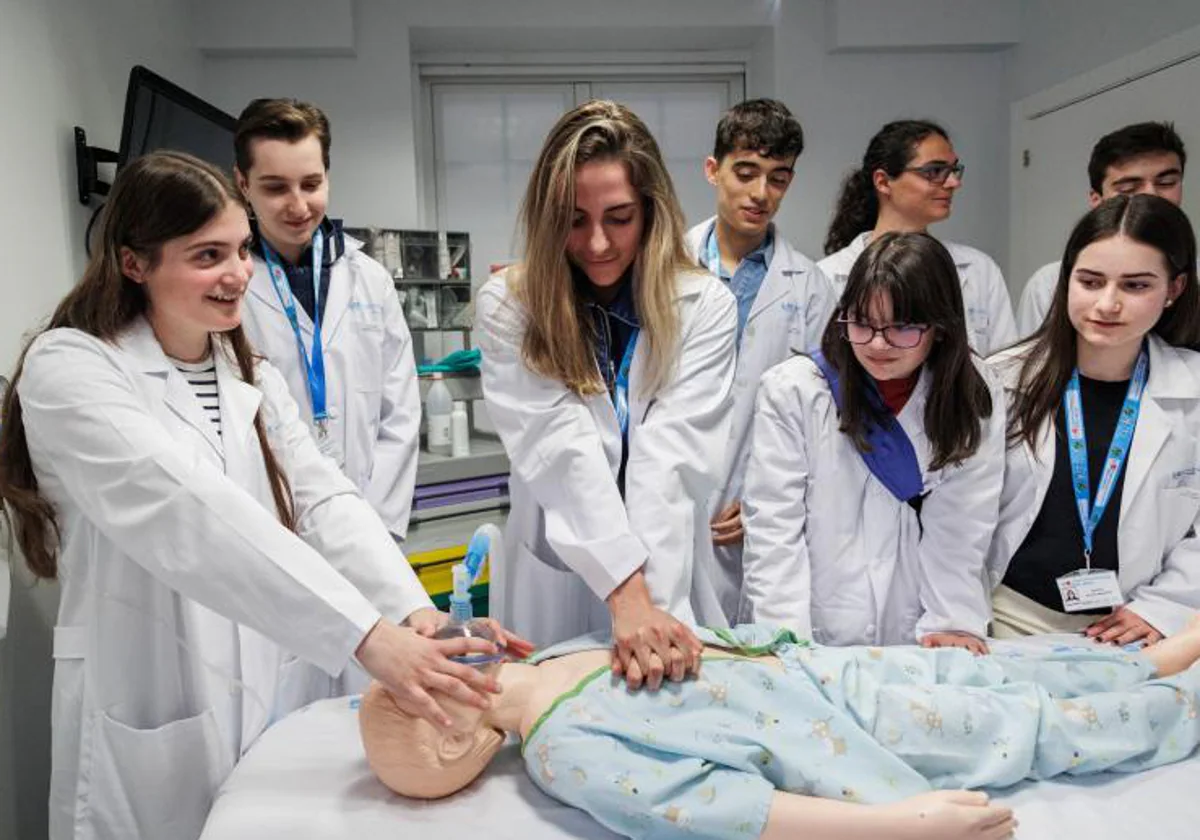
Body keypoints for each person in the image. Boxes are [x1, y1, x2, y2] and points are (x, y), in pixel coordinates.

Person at [0, 152, 528, 840]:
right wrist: (367, 639)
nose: (238, 273)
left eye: (242, 249)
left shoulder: (247, 374)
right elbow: (187, 512)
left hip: (254, 690)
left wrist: (409, 612)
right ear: (134, 263)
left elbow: (324, 499)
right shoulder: (70, 368)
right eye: (207, 255)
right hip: (147, 693)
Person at [360, 619, 1200, 840]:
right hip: (859, 732)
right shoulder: (566, 753)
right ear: (448, 737)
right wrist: (902, 826)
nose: (430, 663)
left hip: (828, 669)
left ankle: (1163, 657)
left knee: (1008, 670)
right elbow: (730, 811)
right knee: (1039, 726)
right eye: (419, 684)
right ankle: (1183, 703)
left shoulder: (548, 657)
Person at [478, 100, 737, 687]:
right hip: (557, 566)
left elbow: (670, 457)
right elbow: (559, 446)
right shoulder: (509, 305)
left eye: (619, 217)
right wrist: (627, 595)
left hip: (664, 564)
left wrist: (651, 607)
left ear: (652, 210)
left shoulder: (704, 305)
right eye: (573, 220)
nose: (596, 243)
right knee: (547, 730)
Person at [741, 233, 1004, 652]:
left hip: (921, 623)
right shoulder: (796, 389)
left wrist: (952, 622)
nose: (878, 345)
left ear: (940, 327)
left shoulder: (972, 391)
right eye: (862, 323)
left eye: (901, 327)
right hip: (816, 619)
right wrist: (786, 639)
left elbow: (963, 521)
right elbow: (774, 528)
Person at [987, 194, 1200, 642]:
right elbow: (959, 514)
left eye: (1135, 286)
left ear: (1174, 290)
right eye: (1090, 281)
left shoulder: (1193, 389)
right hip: (1006, 617)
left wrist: (1164, 608)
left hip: (1140, 623)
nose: (1107, 304)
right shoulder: (1000, 380)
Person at [235, 98, 421, 541]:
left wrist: (376, 531)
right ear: (243, 185)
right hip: (272, 526)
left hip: (369, 521)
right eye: (276, 187)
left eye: (311, 183)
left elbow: (401, 413)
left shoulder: (369, 279)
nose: (298, 205)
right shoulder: (229, 287)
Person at [683, 98, 836, 623]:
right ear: (713, 169)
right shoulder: (664, 266)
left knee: (746, 661)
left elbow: (820, 416)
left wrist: (763, 499)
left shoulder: (810, 285)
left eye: (778, 178)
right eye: (745, 173)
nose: (760, 193)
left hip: (755, 510)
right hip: (669, 494)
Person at [819, 120, 1017, 356]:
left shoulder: (979, 270)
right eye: (934, 171)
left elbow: (1006, 369)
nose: (954, 182)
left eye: (953, 170)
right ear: (883, 181)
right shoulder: (827, 277)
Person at [1017, 122, 1188, 336]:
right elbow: (1034, 362)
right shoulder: (1048, 285)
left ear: (1176, 287)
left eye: (1167, 182)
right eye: (1128, 188)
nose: (1150, 196)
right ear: (1097, 200)